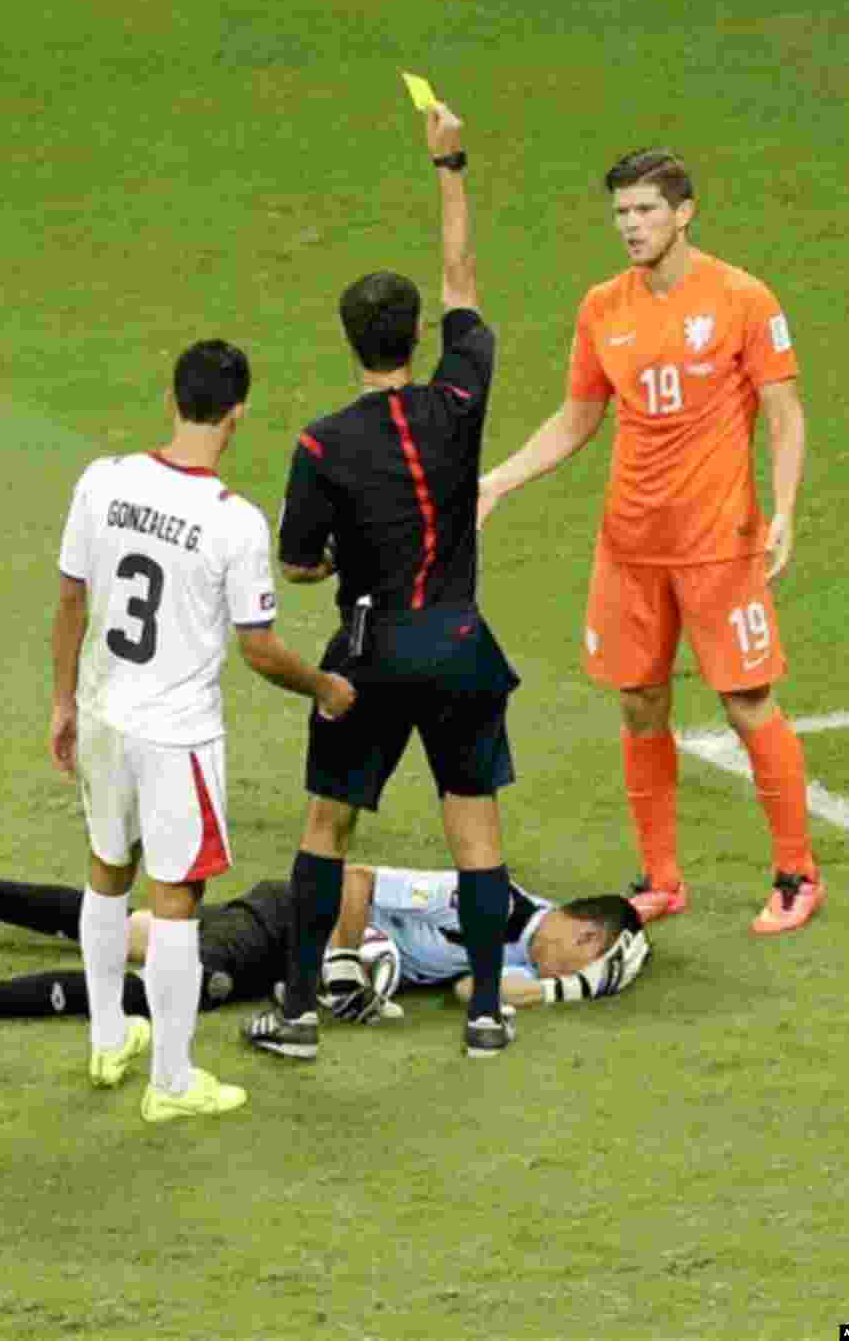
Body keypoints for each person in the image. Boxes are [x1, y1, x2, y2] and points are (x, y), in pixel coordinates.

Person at [478, 148, 825, 936]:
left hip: (719, 544)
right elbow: (577, 417)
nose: (631, 227)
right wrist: (498, 481)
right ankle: (663, 879)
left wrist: (786, 508)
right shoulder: (603, 306)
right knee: (639, 703)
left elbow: (786, 413)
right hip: (629, 547)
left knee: (745, 701)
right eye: (621, 214)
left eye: (644, 211)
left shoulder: (742, 298)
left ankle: (797, 872)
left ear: (684, 211)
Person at [244, 97, 522, 1063]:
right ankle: (487, 1010)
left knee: (328, 825)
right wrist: (450, 166)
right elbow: (463, 279)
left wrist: (327, 561)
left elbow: (297, 559)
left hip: (366, 653)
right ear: (415, 337)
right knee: (474, 830)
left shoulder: (321, 442)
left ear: (349, 339)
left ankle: (299, 1013)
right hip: (457, 645)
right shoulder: (460, 397)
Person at [51, 340, 355, 1122]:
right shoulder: (234, 523)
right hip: (175, 736)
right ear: (239, 412)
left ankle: (108, 1036)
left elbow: (71, 602)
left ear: (170, 396)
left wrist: (62, 704)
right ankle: (174, 1080)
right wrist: (323, 686)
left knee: (105, 873)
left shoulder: (104, 481)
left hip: (103, 712)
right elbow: (258, 648)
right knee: (178, 899)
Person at [0, 850, 649, 1042]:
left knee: (134, 932)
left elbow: (465, 995)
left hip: (295, 956)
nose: (561, 973)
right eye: (581, 964)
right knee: (159, 988)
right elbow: (356, 876)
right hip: (295, 922)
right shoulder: (488, 897)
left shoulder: (530, 939)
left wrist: (567, 989)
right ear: (584, 933)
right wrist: (347, 962)